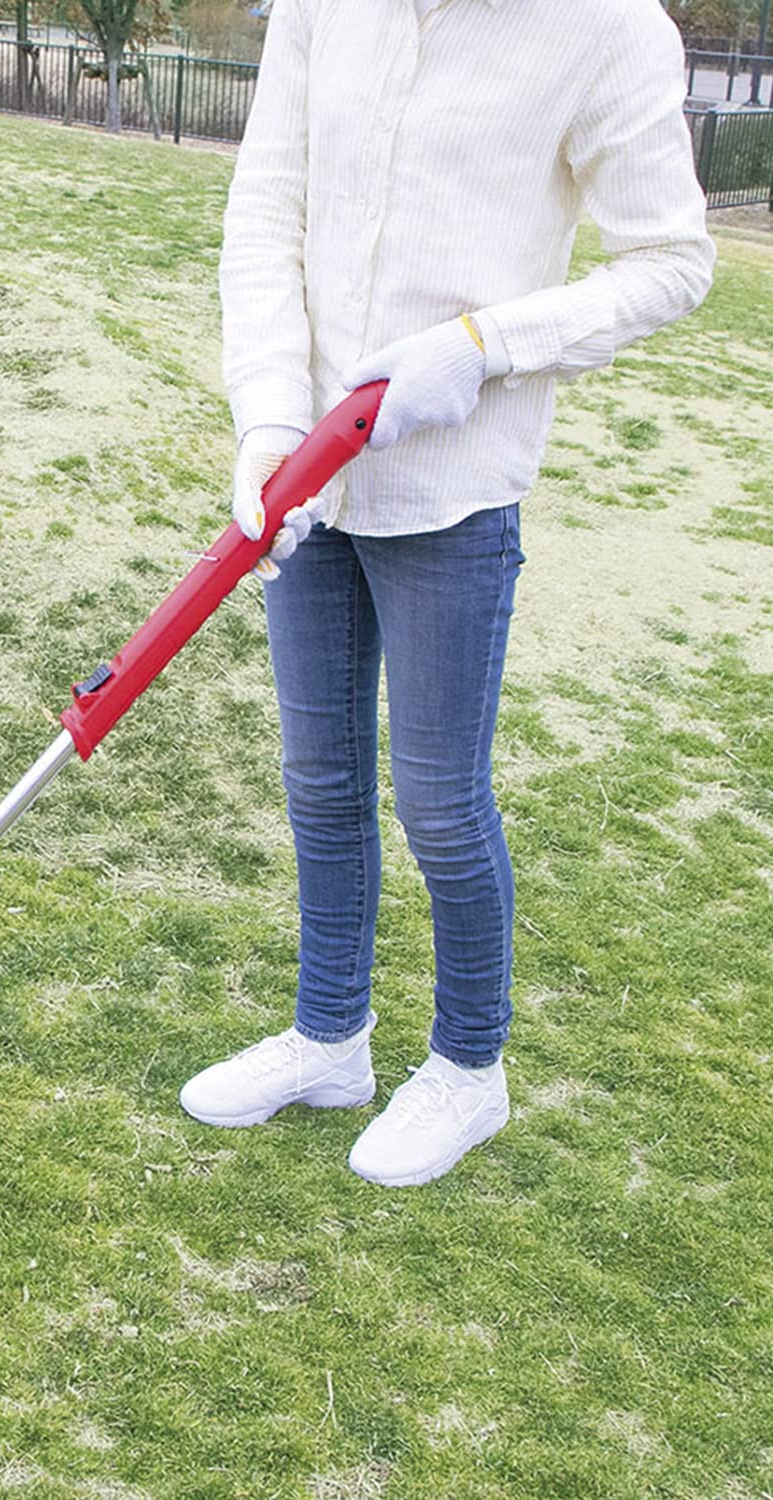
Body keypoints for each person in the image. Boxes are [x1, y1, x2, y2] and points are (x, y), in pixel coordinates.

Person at [178, 0, 715, 1186]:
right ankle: (331, 1043)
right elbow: (266, 209)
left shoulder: (611, 29)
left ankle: (469, 1069)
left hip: (456, 486)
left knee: (437, 798)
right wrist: (270, 418)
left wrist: (481, 344)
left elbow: (675, 263)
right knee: (319, 778)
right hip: (309, 476)